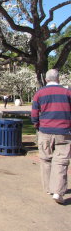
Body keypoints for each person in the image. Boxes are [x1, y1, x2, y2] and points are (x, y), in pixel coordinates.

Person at [31, 69, 71, 204]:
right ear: (58, 79)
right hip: (64, 132)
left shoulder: (39, 93)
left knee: (46, 159)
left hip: (45, 131)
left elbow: (34, 113)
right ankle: (58, 192)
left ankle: (48, 187)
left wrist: (36, 125)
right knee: (61, 161)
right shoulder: (67, 93)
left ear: (46, 79)